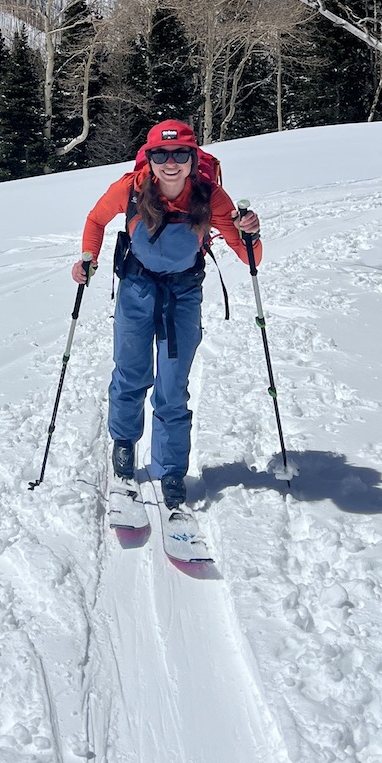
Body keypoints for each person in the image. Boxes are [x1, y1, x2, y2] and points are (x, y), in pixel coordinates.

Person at [71, 119, 261, 514]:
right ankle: (124, 445)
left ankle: (171, 470)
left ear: (193, 158)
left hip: (183, 294)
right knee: (131, 372)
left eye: (179, 154)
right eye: (161, 154)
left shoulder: (212, 197)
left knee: (173, 386)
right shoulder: (131, 188)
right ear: (150, 158)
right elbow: (95, 220)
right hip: (137, 290)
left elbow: (250, 259)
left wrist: (251, 235)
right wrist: (86, 261)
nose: (169, 163)